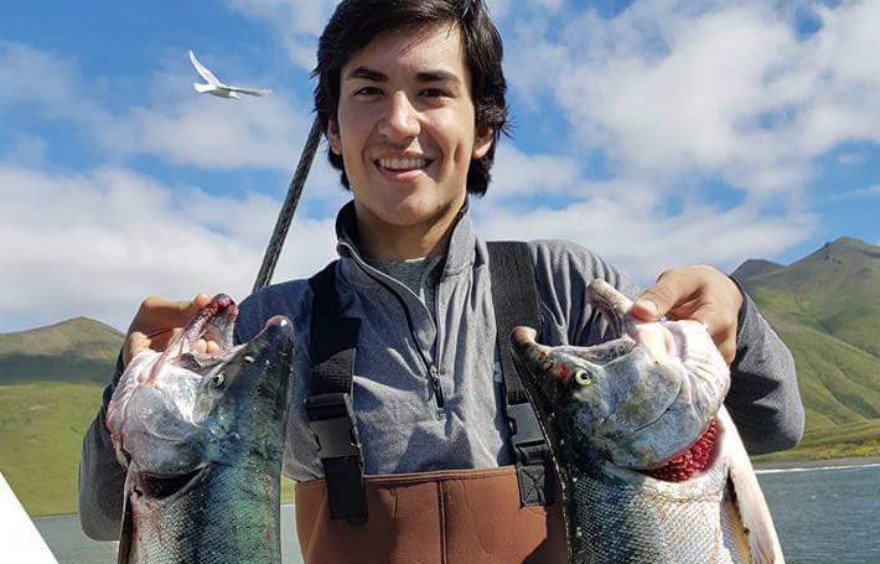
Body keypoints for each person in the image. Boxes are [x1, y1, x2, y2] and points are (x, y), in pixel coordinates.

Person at [79, 0, 804, 561]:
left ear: (482, 127)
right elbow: (104, 513)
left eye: (432, 92)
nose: (399, 124)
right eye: (368, 91)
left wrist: (738, 317)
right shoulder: (271, 328)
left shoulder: (567, 283)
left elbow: (773, 425)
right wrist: (128, 382)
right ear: (332, 126)